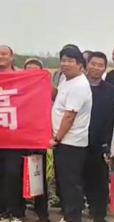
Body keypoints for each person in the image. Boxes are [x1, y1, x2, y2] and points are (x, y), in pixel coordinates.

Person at [0, 45, 29, 222]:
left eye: (4, 54)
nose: (0, 57)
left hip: (15, 135)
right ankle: (1, 210)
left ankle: (16, 212)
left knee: (13, 173)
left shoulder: (23, 77)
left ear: (12, 57)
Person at [50, 46, 92, 222]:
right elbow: (57, 98)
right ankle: (69, 216)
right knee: (65, 182)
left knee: (70, 183)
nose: (65, 64)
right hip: (65, 142)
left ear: (80, 65)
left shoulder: (79, 85)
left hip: (71, 143)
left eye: (70, 61)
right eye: (63, 60)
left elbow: (69, 116)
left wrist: (56, 138)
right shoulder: (66, 80)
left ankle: (73, 217)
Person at [83, 51, 114, 222]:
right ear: (87, 65)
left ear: (105, 68)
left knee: (100, 181)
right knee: (78, 179)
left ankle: (98, 214)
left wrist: (108, 144)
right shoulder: (77, 87)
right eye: (93, 64)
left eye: (100, 65)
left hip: (101, 142)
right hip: (78, 141)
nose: (96, 68)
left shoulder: (110, 91)